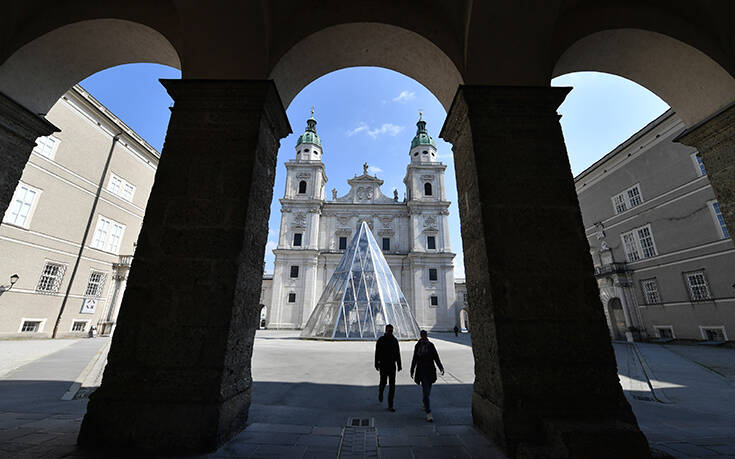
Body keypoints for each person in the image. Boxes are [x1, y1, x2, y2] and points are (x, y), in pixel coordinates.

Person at [410, 330, 444, 422]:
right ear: (421, 336)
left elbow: (436, 357)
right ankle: (428, 412)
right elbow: (414, 359)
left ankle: (425, 402)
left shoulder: (430, 345)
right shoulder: (418, 346)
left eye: (424, 335)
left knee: (428, 391)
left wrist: (440, 367)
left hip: (430, 371)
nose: (423, 337)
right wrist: (412, 370)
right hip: (422, 371)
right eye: (422, 335)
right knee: (426, 392)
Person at [375, 324, 401, 411]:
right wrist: (376, 363)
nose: (390, 332)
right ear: (386, 330)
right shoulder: (381, 340)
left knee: (392, 385)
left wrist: (399, 364)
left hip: (391, 365)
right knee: (383, 382)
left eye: (391, 331)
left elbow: (398, 353)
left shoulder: (394, 340)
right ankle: (381, 392)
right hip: (383, 365)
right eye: (389, 331)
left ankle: (390, 404)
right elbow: (377, 352)